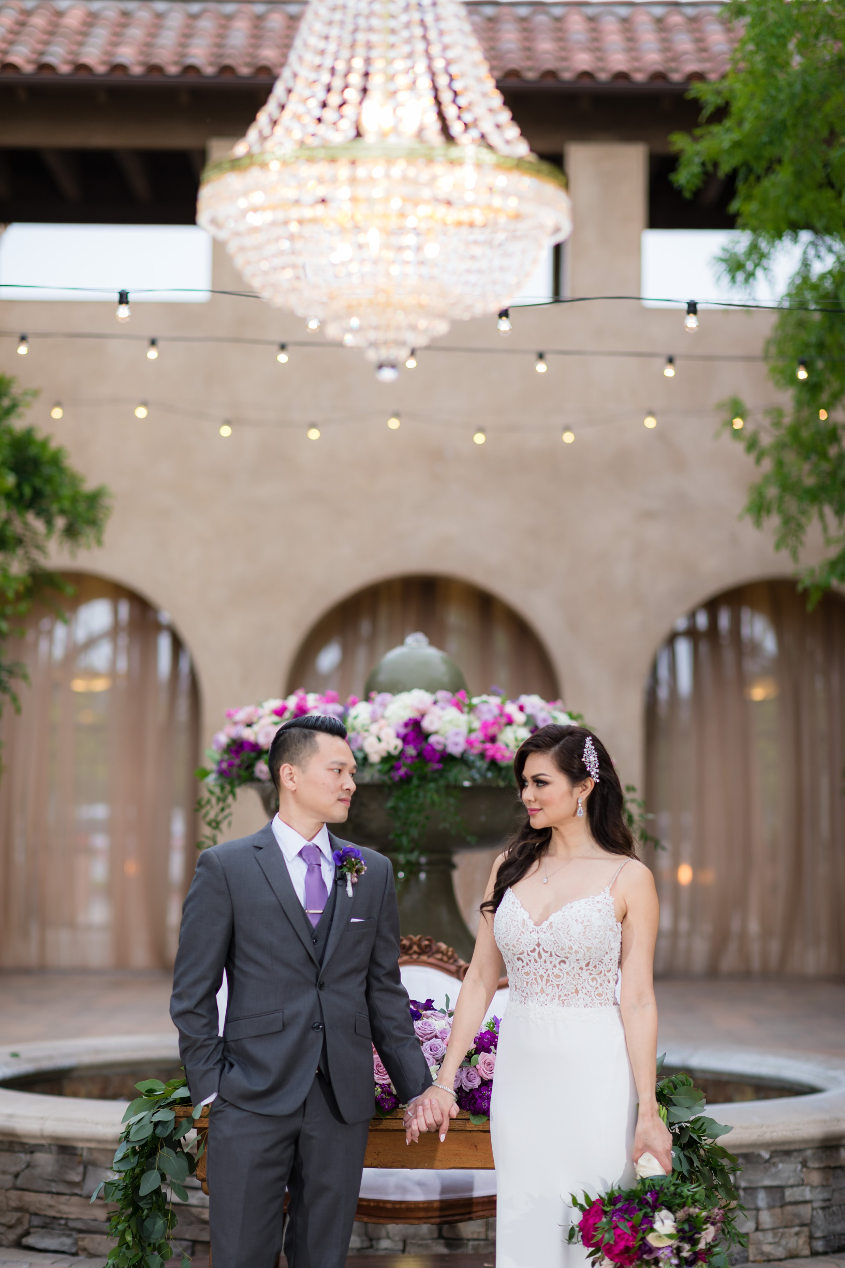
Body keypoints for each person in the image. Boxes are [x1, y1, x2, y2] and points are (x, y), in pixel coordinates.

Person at [170, 713, 440, 1268]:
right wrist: (211, 1089)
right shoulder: (226, 868)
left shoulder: (372, 871)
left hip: (340, 1103)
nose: (351, 784)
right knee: (241, 1255)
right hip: (250, 1094)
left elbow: (383, 990)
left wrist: (418, 1089)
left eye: (353, 772)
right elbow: (192, 992)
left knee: (323, 1257)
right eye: (338, 770)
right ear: (289, 775)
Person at [409, 723, 673, 1267]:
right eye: (524, 783)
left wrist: (649, 1112)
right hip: (522, 1072)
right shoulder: (510, 865)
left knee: (592, 1224)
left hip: (596, 1072)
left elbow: (639, 999)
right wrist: (444, 1079)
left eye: (540, 782)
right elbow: (480, 979)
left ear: (584, 787)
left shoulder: (630, 878)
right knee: (527, 1216)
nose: (526, 795)